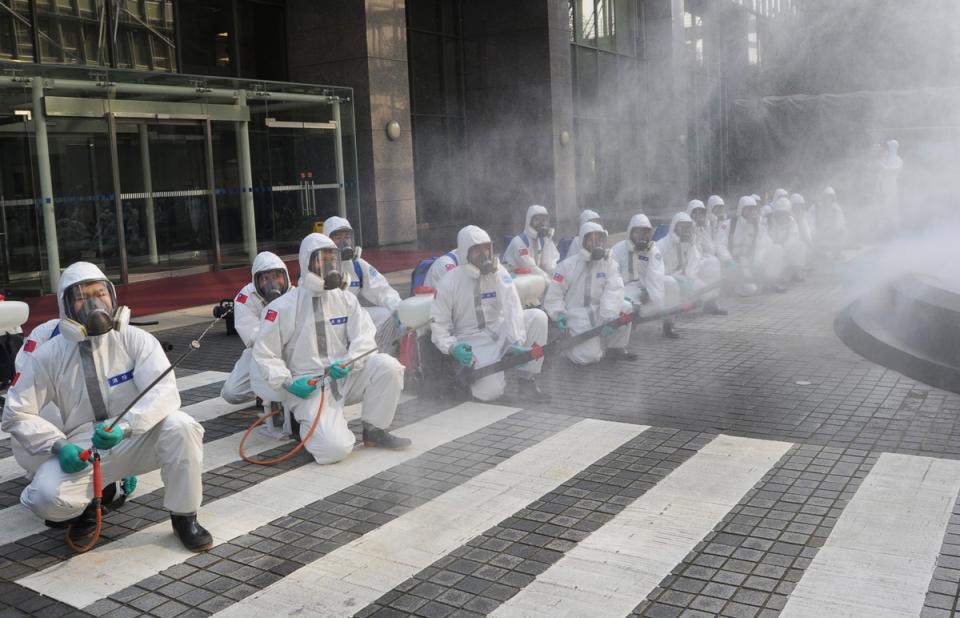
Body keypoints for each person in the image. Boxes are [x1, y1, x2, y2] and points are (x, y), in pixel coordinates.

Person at [1, 262, 211, 551]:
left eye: (100, 293)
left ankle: (185, 517)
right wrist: (59, 446)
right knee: (44, 499)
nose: (94, 303)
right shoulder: (48, 354)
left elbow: (164, 392)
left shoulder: (136, 340)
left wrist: (127, 426)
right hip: (83, 446)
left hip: (132, 437)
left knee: (182, 426)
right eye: (81, 297)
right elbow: (17, 412)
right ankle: (87, 507)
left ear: (112, 297)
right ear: (66, 306)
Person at [252, 233, 408, 465]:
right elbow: (265, 353)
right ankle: (304, 424)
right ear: (307, 262)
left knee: (389, 367)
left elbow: (365, 337)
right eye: (321, 260)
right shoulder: (282, 307)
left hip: (343, 374)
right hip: (308, 385)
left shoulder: (345, 299)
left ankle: (375, 430)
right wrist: (287, 382)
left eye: (332, 260)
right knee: (334, 450)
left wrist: (350, 361)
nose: (329, 266)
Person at [430, 225, 549, 402]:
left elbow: (512, 306)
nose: (484, 254)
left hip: (499, 330)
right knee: (490, 393)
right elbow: (439, 324)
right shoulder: (449, 282)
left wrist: (515, 340)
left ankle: (527, 381)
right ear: (465, 253)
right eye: (477, 250)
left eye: (487, 248)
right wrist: (452, 347)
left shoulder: (498, 272)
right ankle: (461, 379)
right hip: (471, 339)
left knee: (538, 317)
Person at [544, 222, 636, 365]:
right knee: (588, 358)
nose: (595, 244)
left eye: (599, 240)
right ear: (583, 242)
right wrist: (559, 315)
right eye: (591, 240)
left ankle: (615, 348)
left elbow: (614, 291)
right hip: (577, 315)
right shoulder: (567, 266)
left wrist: (609, 317)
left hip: (600, 312)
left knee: (626, 307)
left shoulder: (610, 264)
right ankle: (567, 343)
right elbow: (554, 295)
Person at [323, 216, 403, 352]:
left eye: (347, 237)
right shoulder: (317, 266)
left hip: (352, 316)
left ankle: (382, 358)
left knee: (386, 315)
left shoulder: (357, 265)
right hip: (326, 321)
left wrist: (399, 310)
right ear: (326, 240)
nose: (344, 242)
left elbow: (381, 289)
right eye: (337, 238)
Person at [221, 252, 291, 405]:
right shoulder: (245, 297)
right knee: (232, 393)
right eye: (266, 278)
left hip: (292, 350)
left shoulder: (296, 294)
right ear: (256, 279)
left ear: (285, 276)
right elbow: (251, 334)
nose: (272, 282)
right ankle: (262, 390)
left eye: (276, 276)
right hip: (260, 351)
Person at [611, 214, 678, 339]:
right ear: (630, 232)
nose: (641, 236)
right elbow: (612, 275)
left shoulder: (653, 251)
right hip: (625, 288)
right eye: (638, 232)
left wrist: (650, 294)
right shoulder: (618, 249)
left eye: (645, 232)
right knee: (627, 305)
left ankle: (668, 325)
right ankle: (622, 336)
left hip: (646, 288)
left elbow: (656, 275)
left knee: (670, 282)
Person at [657, 211, 726, 315]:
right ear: (674, 227)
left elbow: (694, 263)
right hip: (668, 280)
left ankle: (710, 305)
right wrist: (678, 279)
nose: (685, 230)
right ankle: (669, 321)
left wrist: (689, 280)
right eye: (682, 226)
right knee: (670, 283)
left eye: (688, 227)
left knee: (708, 288)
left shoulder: (689, 244)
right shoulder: (661, 245)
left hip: (686, 279)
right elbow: (658, 270)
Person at [730, 196, 785, 295]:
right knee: (750, 289)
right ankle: (737, 284)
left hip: (752, 261)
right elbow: (720, 245)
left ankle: (770, 282)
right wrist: (728, 260)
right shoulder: (730, 225)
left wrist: (757, 260)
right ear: (741, 210)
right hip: (733, 262)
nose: (751, 212)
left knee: (777, 249)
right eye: (748, 210)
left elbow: (764, 245)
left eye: (753, 210)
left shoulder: (759, 228)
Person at [502, 204, 560, 284]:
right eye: (537, 220)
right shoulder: (519, 242)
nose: (541, 223)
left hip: (533, 276)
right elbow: (530, 268)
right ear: (529, 221)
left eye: (543, 220)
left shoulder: (544, 240)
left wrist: (561, 279)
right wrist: (550, 282)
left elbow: (549, 265)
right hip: (513, 278)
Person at [768, 197, 808, 282]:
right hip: (773, 252)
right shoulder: (771, 223)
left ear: (788, 214)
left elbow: (793, 237)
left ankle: (795, 272)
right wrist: (778, 249)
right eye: (780, 213)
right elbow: (769, 239)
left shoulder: (792, 223)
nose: (782, 216)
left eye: (784, 213)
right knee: (776, 249)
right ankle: (774, 278)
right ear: (776, 213)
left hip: (787, 251)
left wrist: (784, 250)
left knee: (800, 245)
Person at [813, 186, 848, 260]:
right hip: (820, 231)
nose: (828, 199)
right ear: (824, 197)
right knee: (814, 233)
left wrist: (832, 229)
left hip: (832, 231)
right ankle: (817, 253)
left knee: (843, 231)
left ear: (833, 198)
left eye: (830, 197)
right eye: (827, 197)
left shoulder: (837, 209)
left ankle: (837, 253)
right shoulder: (818, 207)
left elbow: (840, 223)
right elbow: (815, 221)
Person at [706, 195, 734, 267]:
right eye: (717, 207)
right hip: (711, 256)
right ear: (710, 208)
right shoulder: (707, 224)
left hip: (725, 255)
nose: (720, 210)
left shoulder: (727, 223)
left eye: (721, 207)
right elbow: (713, 243)